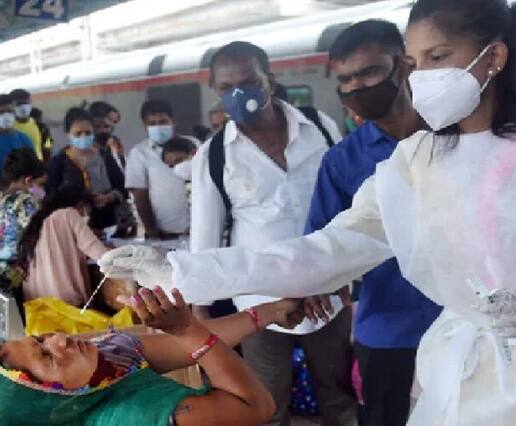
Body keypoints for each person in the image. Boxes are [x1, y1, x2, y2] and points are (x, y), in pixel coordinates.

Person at [101, 0, 516, 424]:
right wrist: (179, 271)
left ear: (494, 57)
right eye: (415, 63)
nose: (421, 77)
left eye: (438, 57)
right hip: (466, 372)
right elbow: (322, 252)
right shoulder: (415, 164)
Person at [189, 41, 356, 426]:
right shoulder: (215, 155)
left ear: (269, 78)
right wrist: (200, 315)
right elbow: (205, 237)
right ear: (215, 90)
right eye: (226, 87)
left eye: (248, 82)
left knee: (338, 396)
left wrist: (350, 275)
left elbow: (347, 202)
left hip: (327, 290)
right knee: (266, 403)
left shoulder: (317, 126)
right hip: (259, 301)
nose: (238, 94)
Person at [303, 20, 442, 426]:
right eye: (345, 80)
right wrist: (311, 289)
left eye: (369, 72)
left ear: (403, 65)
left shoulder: (455, 132)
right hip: (387, 329)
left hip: (468, 320)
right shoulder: (342, 161)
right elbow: (321, 247)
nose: (357, 88)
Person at [0, 286, 307, 425]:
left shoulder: (102, 371)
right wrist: (187, 329)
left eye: (40, 338)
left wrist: (270, 311)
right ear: (50, 402)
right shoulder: (135, 416)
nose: (60, 339)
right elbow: (257, 406)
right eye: (47, 357)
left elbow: (180, 347)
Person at [17, 185, 109, 306]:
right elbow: (103, 255)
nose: (86, 216)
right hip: (67, 306)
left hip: (38, 309)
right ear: (81, 205)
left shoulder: (38, 223)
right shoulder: (69, 214)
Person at [46, 107, 126, 231]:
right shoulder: (58, 162)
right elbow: (51, 196)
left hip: (108, 225)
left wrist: (108, 197)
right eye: (78, 134)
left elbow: (122, 187)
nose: (83, 137)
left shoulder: (104, 157)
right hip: (73, 228)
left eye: (88, 133)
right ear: (68, 134)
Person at [125, 99, 190, 239]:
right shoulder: (139, 153)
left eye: (163, 122)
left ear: (173, 121)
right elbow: (140, 195)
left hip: (198, 225)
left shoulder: (193, 144)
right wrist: (151, 229)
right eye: (152, 123)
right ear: (144, 125)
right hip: (165, 231)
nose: (158, 127)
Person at [0, 148, 46, 294]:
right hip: (14, 275)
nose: (43, 190)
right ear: (28, 181)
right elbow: (39, 236)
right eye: (41, 184)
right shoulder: (26, 202)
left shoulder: (2, 198)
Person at [0, 94, 34, 174]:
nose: (6, 115)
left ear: (15, 113)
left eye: (9, 111)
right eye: (1, 112)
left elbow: (33, 167)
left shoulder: (24, 139)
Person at [9, 89, 43, 161]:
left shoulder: (36, 123)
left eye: (25, 103)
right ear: (11, 106)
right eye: (19, 104)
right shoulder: (9, 128)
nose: (23, 107)